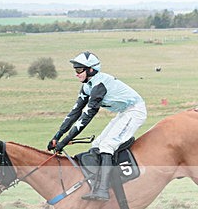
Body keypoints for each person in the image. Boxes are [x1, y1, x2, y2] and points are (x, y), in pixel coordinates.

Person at [49, 52, 147, 201]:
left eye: (79, 70)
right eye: (75, 70)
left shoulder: (99, 86)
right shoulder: (87, 87)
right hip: (124, 112)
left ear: (91, 70)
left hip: (135, 111)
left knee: (107, 145)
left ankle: (103, 190)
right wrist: (57, 136)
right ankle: (96, 183)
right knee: (97, 145)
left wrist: (65, 141)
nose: (76, 73)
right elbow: (75, 113)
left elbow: (86, 117)